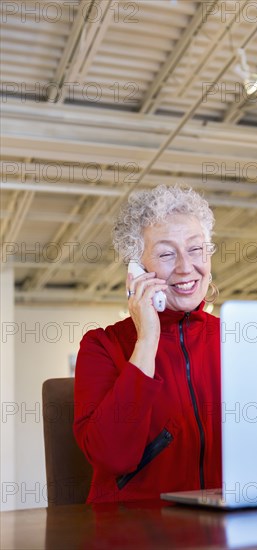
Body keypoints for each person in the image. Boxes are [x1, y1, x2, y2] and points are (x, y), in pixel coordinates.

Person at [74, 184, 221, 503]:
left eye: (196, 249)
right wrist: (147, 338)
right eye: (167, 254)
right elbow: (112, 457)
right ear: (136, 269)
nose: (186, 267)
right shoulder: (102, 346)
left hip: (229, 528)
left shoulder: (235, 339)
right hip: (134, 529)